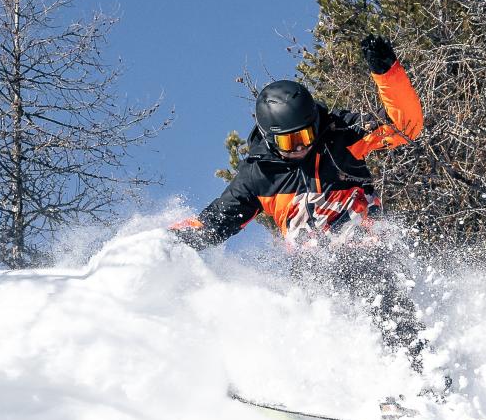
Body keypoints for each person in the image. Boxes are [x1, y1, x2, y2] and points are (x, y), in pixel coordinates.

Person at [176, 34, 426, 348]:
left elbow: (407, 125)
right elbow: (212, 224)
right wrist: (166, 242)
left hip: (369, 250)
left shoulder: (342, 137)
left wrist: (387, 72)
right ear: (270, 138)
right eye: (289, 142)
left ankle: (416, 377)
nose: (300, 147)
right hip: (314, 270)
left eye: (306, 135)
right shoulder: (258, 177)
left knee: (374, 287)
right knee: (305, 308)